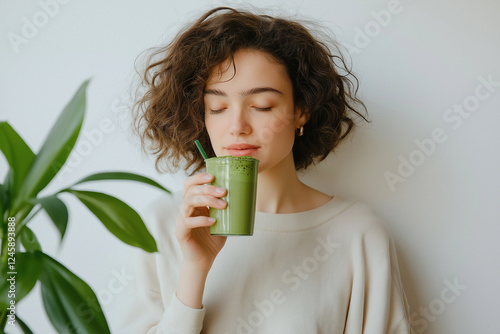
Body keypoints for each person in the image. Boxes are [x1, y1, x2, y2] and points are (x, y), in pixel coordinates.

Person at [120, 6, 414, 334]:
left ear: (300, 110)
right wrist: (195, 270)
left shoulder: (358, 233)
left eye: (262, 106)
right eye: (217, 108)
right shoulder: (161, 225)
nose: (237, 127)